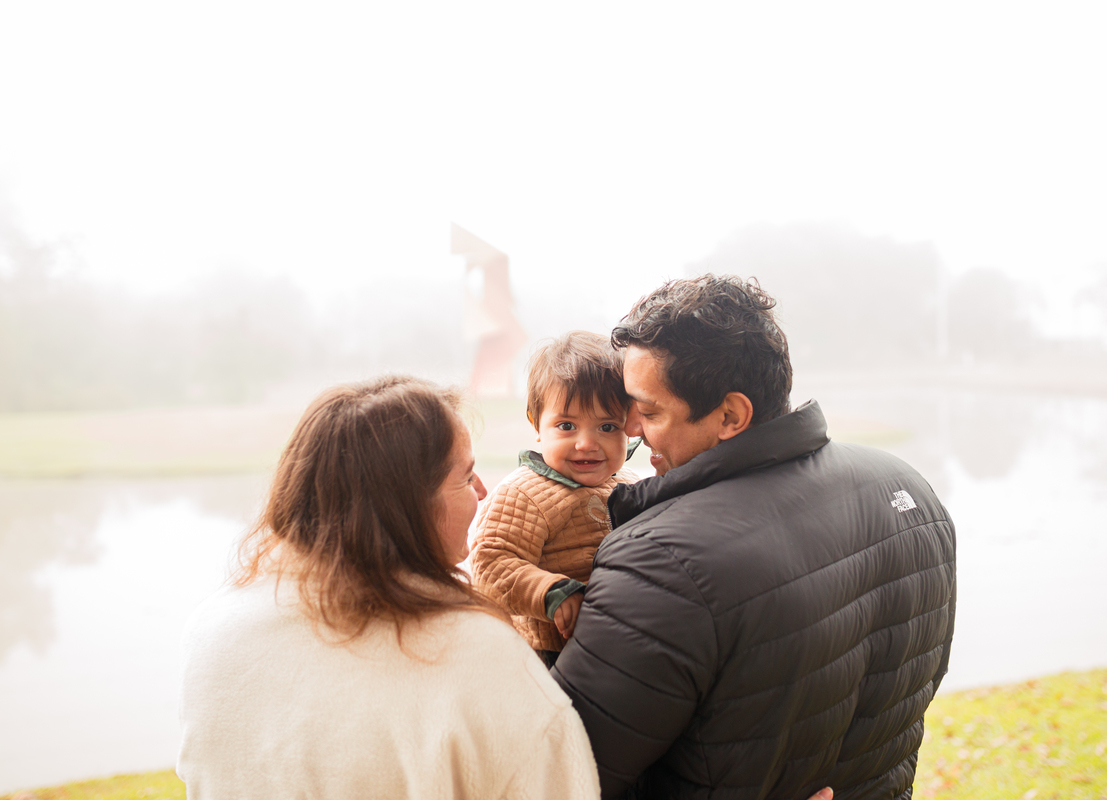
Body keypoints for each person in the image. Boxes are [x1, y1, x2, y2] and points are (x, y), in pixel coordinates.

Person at [550, 275, 957, 799]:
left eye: (649, 411)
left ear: (730, 415)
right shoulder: (907, 488)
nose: (629, 428)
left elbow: (557, 777)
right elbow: (913, 691)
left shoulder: (661, 562)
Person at [176, 376, 600, 799]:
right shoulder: (475, 650)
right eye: (465, 477)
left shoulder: (213, 627)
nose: (482, 491)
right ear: (409, 503)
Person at [471, 331, 640, 668]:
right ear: (536, 424)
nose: (586, 444)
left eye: (607, 427)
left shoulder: (631, 484)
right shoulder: (525, 492)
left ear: (630, 427)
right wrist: (552, 592)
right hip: (550, 653)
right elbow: (489, 562)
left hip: (620, 637)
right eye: (566, 425)